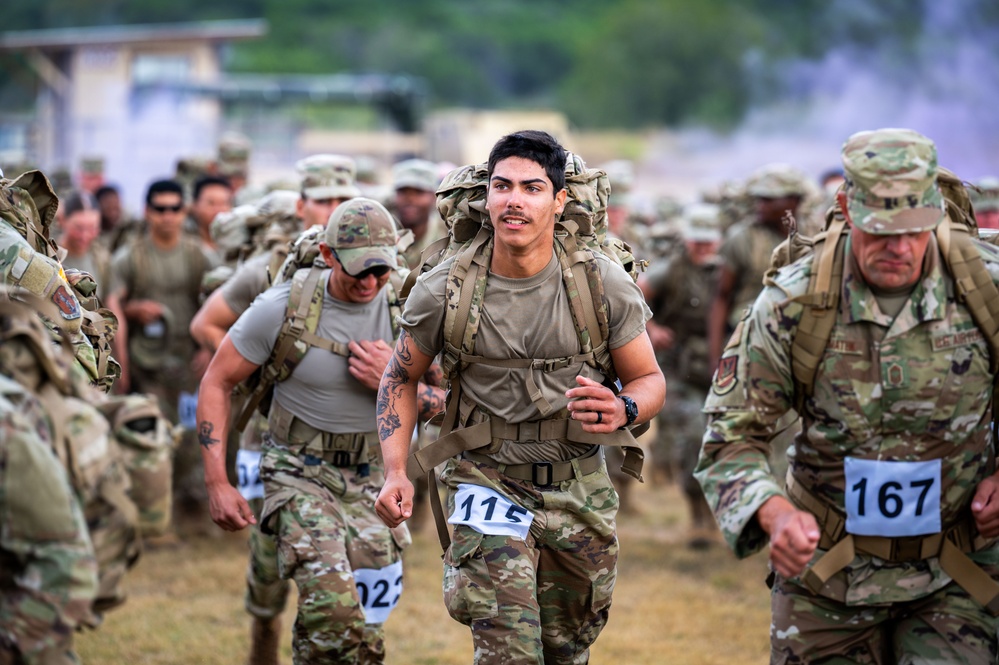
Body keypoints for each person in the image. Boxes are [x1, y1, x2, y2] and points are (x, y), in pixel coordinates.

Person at [696, 127, 999, 663]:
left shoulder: (986, 290)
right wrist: (773, 513)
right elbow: (730, 439)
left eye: (914, 229)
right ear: (847, 207)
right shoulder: (793, 303)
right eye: (881, 231)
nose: (898, 249)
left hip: (960, 570)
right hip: (828, 575)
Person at [375, 130, 665, 664]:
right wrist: (396, 471)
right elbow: (399, 378)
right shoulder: (444, 289)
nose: (514, 199)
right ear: (487, 198)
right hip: (486, 483)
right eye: (502, 186)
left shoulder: (600, 283)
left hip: (578, 488)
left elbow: (649, 380)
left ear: (558, 201)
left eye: (532, 188)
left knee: (566, 650)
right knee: (511, 653)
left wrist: (623, 407)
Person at [197, 197, 441, 664]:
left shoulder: (409, 309)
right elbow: (217, 380)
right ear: (328, 256)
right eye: (358, 271)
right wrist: (216, 482)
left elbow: (452, 403)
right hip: (298, 473)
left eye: (381, 272)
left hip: (376, 476)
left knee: (369, 614)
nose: (370, 283)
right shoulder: (283, 306)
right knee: (331, 606)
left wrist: (391, 379)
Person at [189, 154, 362, 665]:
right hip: (270, 435)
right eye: (321, 199)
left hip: (350, 442)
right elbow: (206, 325)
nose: (329, 207)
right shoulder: (269, 266)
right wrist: (264, 374)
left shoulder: (377, 266)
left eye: (340, 199)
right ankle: (264, 631)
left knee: (353, 560)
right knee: (269, 551)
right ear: (301, 203)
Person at [106, 178, 219, 521]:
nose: (167, 216)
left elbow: (224, 306)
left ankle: (192, 508)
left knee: (191, 436)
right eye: (160, 209)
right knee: (152, 437)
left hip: (190, 364)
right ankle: (153, 511)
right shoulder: (130, 258)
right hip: (147, 365)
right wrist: (122, 359)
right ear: (147, 212)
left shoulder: (201, 256)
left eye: (174, 208)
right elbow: (111, 309)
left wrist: (210, 351)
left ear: (183, 212)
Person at [640, 202, 721, 546]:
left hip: (720, 368)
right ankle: (699, 516)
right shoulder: (669, 270)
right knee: (694, 436)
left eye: (708, 241)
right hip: (679, 368)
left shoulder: (729, 270)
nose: (702, 248)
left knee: (720, 443)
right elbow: (634, 296)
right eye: (696, 241)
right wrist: (652, 327)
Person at [707, 162, 809, 371]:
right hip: (750, 346)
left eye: (769, 199)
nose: (760, 205)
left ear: (794, 201)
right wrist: (716, 361)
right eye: (759, 199)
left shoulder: (814, 236)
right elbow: (721, 297)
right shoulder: (743, 238)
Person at [389, 158, 442, 269]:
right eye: (403, 192)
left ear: (434, 196)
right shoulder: (384, 231)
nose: (410, 199)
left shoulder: (447, 233)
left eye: (419, 192)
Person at [57, 190, 111, 298]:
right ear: (63, 220)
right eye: (78, 228)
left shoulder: (101, 259)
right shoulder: (49, 255)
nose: (84, 236)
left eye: (92, 228)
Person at [187, 175, 234, 250]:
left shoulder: (237, 244)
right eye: (211, 203)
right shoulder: (186, 244)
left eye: (223, 203)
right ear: (195, 206)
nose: (218, 210)